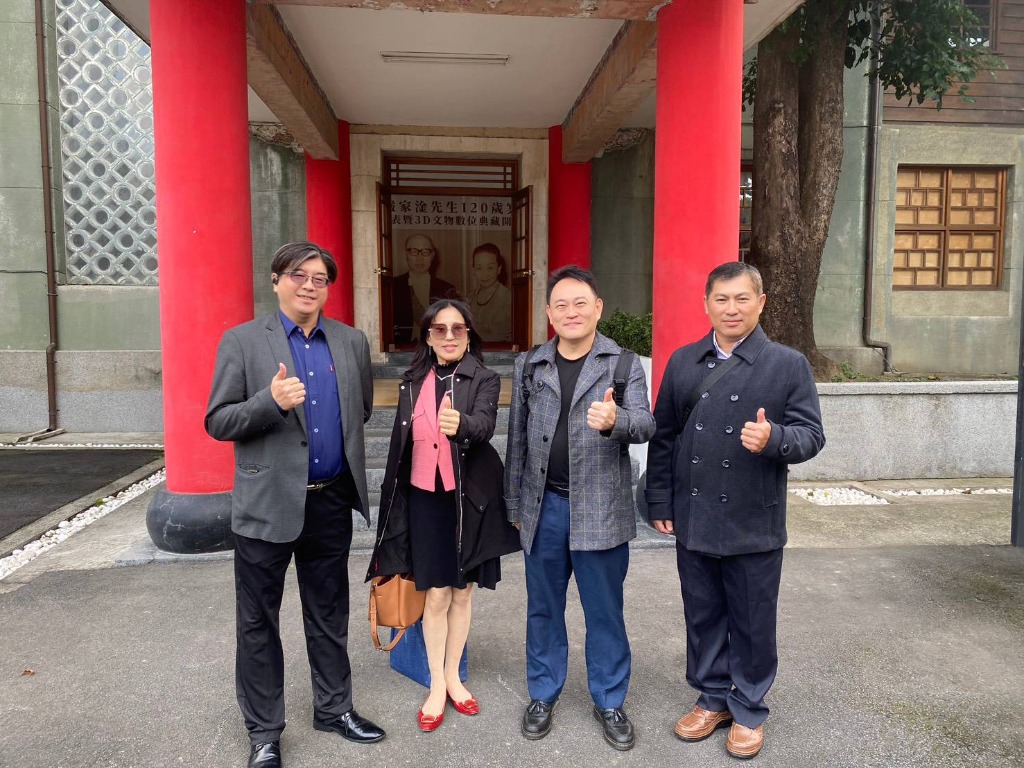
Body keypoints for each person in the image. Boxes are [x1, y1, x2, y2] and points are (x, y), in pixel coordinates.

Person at [205, 242, 385, 768]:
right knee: (258, 620)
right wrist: (270, 402)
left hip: (330, 501)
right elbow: (218, 420)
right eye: (298, 275)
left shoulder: (350, 341)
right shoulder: (243, 341)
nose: (309, 285)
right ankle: (264, 732)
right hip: (266, 504)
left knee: (328, 612)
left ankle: (334, 708)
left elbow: (361, 409)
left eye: (319, 278)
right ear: (276, 280)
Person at [644, 261, 825, 759]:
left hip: (753, 516)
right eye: (721, 299)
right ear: (706, 304)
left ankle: (748, 707)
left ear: (760, 303)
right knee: (702, 613)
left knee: (751, 619)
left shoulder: (787, 364)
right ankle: (711, 697)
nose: (731, 308)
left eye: (742, 298)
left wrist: (775, 438)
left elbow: (812, 435)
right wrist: (659, 500)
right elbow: (664, 438)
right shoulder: (684, 361)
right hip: (695, 513)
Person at [504, 265, 655, 751]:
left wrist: (616, 420)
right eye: (561, 305)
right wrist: (514, 503)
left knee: (604, 611)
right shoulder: (531, 365)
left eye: (580, 303)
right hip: (543, 507)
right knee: (543, 609)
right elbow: (517, 439)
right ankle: (542, 693)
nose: (571, 312)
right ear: (549, 313)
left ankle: (609, 699)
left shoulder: (622, 364)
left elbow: (645, 424)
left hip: (601, 511)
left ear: (598, 308)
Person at [367, 298, 520, 732]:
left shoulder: (484, 378)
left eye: (457, 328)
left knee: (463, 593)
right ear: (428, 337)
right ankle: (436, 683)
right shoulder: (411, 382)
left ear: (469, 335)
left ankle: (454, 676)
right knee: (435, 594)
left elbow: (485, 424)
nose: (449, 336)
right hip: (425, 500)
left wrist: (463, 425)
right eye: (440, 329)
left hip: (468, 500)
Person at [392, 233, 460, 345]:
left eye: (425, 252)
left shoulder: (447, 289)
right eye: (414, 251)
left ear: (432, 255)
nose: (420, 258)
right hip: (401, 347)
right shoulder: (392, 286)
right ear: (406, 254)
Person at [466, 243, 512, 343]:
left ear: (499, 269)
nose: (484, 274)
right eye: (479, 268)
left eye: (490, 268)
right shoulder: (469, 298)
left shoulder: (508, 299)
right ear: (473, 270)